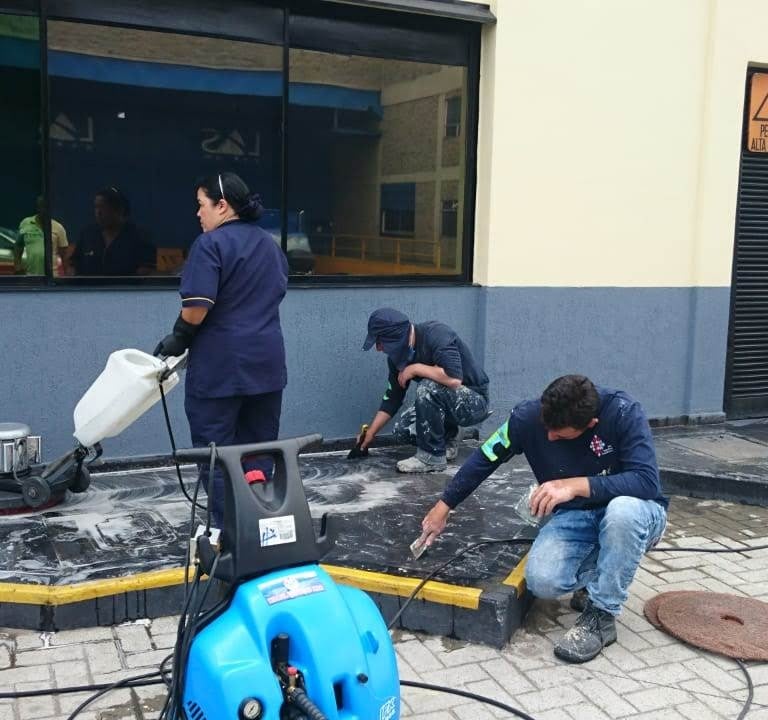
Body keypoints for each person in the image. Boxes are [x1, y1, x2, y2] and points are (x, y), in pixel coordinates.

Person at [420, 374, 668, 664]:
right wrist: (444, 505)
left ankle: (602, 615)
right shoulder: (527, 417)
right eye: (547, 428)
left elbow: (646, 482)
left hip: (635, 514)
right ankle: (599, 576)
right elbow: (486, 457)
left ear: (590, 425)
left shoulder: (623, 412)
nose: (550, 438)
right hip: (577, 514)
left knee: (622, 513)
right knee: (542, 582)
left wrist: (576, 485)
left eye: (560, 435)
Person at [154, 172, 288, 528]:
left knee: (216, 455)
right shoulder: (270, 246)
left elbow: (197, 307)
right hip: (266, 367)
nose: (198, 213)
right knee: (259, 451)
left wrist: (180, 336)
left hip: (221, 370)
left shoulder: (210, 244)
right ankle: (260, 526)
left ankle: (228, 533)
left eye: (201, 205)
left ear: (222, 205)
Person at [359, 308, 490, 473]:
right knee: (402, 431)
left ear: (395, 338)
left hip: (474, 402)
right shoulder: (397, 358)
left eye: (380, 342)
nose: (378, 349)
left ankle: (431, 458)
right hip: (445, 403)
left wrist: (415, 368)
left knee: (428, 387)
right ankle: (450, 436)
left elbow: (454, 378)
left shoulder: (436, 334)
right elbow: (393, 399)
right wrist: (371, 433)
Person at [70, 187, 155, 276]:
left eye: (103, 207)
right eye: (96, 207)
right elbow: (73, 264)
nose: (98, 212)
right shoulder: (87, 234)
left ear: (119, 210)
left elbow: (146, 271)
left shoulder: (139, 236)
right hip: (87, 285)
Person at [15, 196, 69, 276]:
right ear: (37, 207)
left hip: (52, 277)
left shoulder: (58, 228)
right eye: (41, 206)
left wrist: (67, 277)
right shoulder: (25, 223)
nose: (43, 210)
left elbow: (64, 256)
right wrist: (17, 267)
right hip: (31, 276)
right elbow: (18, 246)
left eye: (46, 207)